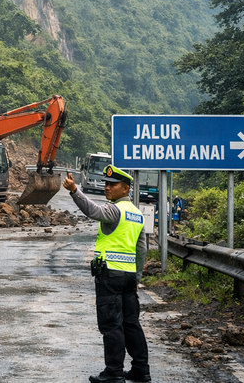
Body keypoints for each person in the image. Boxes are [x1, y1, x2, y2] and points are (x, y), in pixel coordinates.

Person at [63, 164, 151, 383]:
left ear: (126, 189)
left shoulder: (115, 210)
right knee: (131, 324)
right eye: (106, 184)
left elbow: (93, 211)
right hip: (129, 277)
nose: (107, 188)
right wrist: (137, 277)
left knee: (112, 324)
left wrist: (75, 191)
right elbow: (142, 249)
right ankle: (141, 370)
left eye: (113, 185)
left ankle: (114, 372)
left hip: (110, 276)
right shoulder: (137, 215)